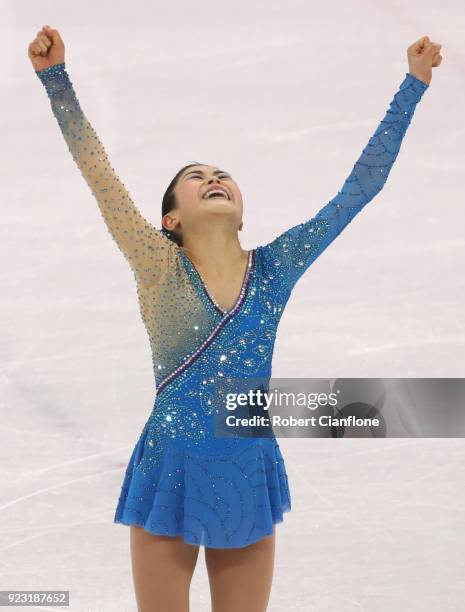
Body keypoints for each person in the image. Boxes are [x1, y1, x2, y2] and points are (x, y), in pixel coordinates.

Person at [28, 24, 442, 612]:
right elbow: (99, 174)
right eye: (194, 179)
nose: (213, 179)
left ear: (241, 214)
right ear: (170, 220)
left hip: (246, 466)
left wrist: (413, 86)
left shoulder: (274, 270)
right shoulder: (157, 266)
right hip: (169, 468)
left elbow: (359, 188)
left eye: (221, 175)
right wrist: (56, 79)